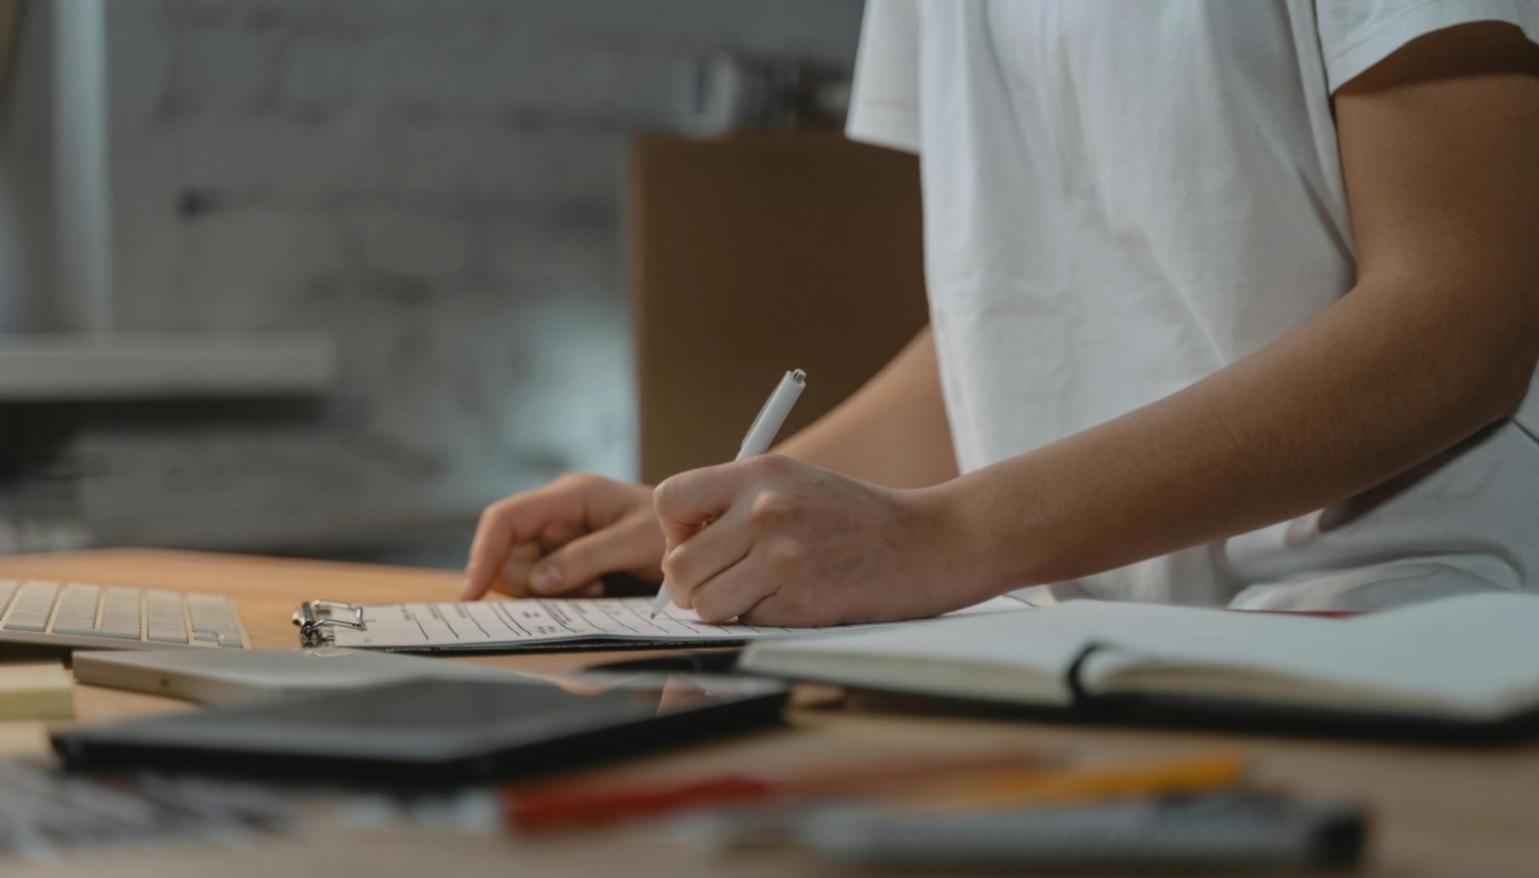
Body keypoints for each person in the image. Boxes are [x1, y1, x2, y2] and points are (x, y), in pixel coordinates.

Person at [464, 2, 1539, 625]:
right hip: (1064, 650)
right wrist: (703, 525)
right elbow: (1013, 331)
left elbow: (1464, 315)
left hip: (1397, 646)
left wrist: (949, 537)